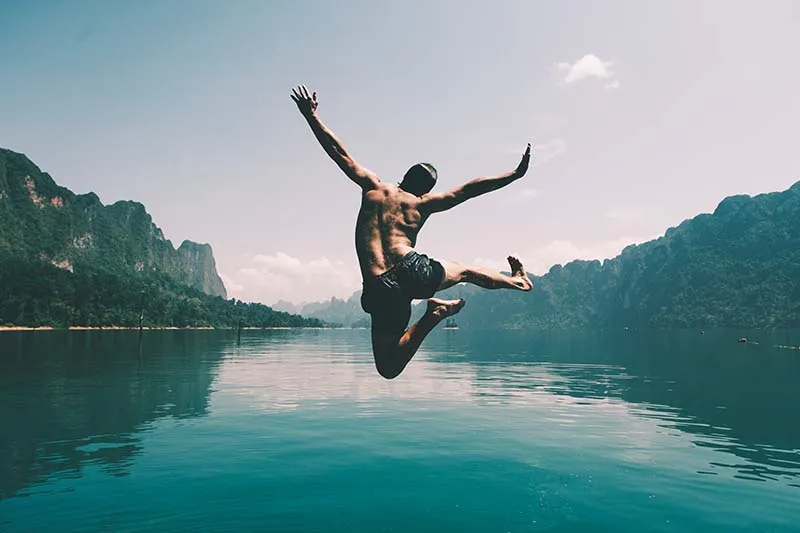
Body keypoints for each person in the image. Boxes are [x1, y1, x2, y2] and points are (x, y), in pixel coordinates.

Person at [291, 85, 533, 379]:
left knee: (388, 368)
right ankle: (517, 282)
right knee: (467, 271)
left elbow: (339, 153)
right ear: (426, 189)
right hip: (413, 270)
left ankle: (433, 316)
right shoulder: (423, 203)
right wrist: (514, 174)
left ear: (404, 175)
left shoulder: (373, 187)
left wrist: (311, 116)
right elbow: (469, 190)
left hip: (379, 285)